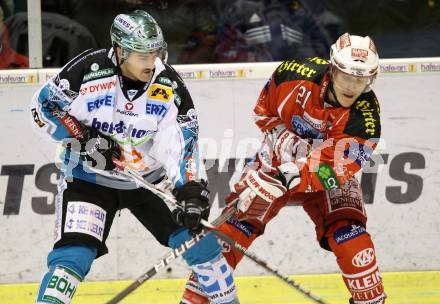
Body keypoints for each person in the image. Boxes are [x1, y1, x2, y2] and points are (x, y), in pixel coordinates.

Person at [31, 10, 239, 304]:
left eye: (156, 53)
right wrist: (84, 137)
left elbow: (182, 143)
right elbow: (42, 109)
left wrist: (190, 191)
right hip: (88, 178)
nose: (152, 62)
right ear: (120, 51)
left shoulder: (168, 86)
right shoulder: (87, 71)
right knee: (72, 257)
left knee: (203, 249)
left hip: (148, 180)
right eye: (143, 55)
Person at [180, 33, 386, 304]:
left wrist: (288, 175)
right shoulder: (293, 74)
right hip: (273, 162)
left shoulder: (366, 120)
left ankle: (371, 301)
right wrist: (282, 139)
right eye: (347, 77)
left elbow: (331, 170)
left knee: (350, 234)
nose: (352, 87)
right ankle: (196, 300)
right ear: (333, 69)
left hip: (325, 179)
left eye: (361, 80)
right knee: (235, 226)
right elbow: (262, 111)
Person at [214, 0, 331, 63]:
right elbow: (225, 50)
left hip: (296, 81)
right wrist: (252, 61)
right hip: (251, 82)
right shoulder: (240, 8)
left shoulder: (299, 10)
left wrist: (302, 65)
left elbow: (322, 48)